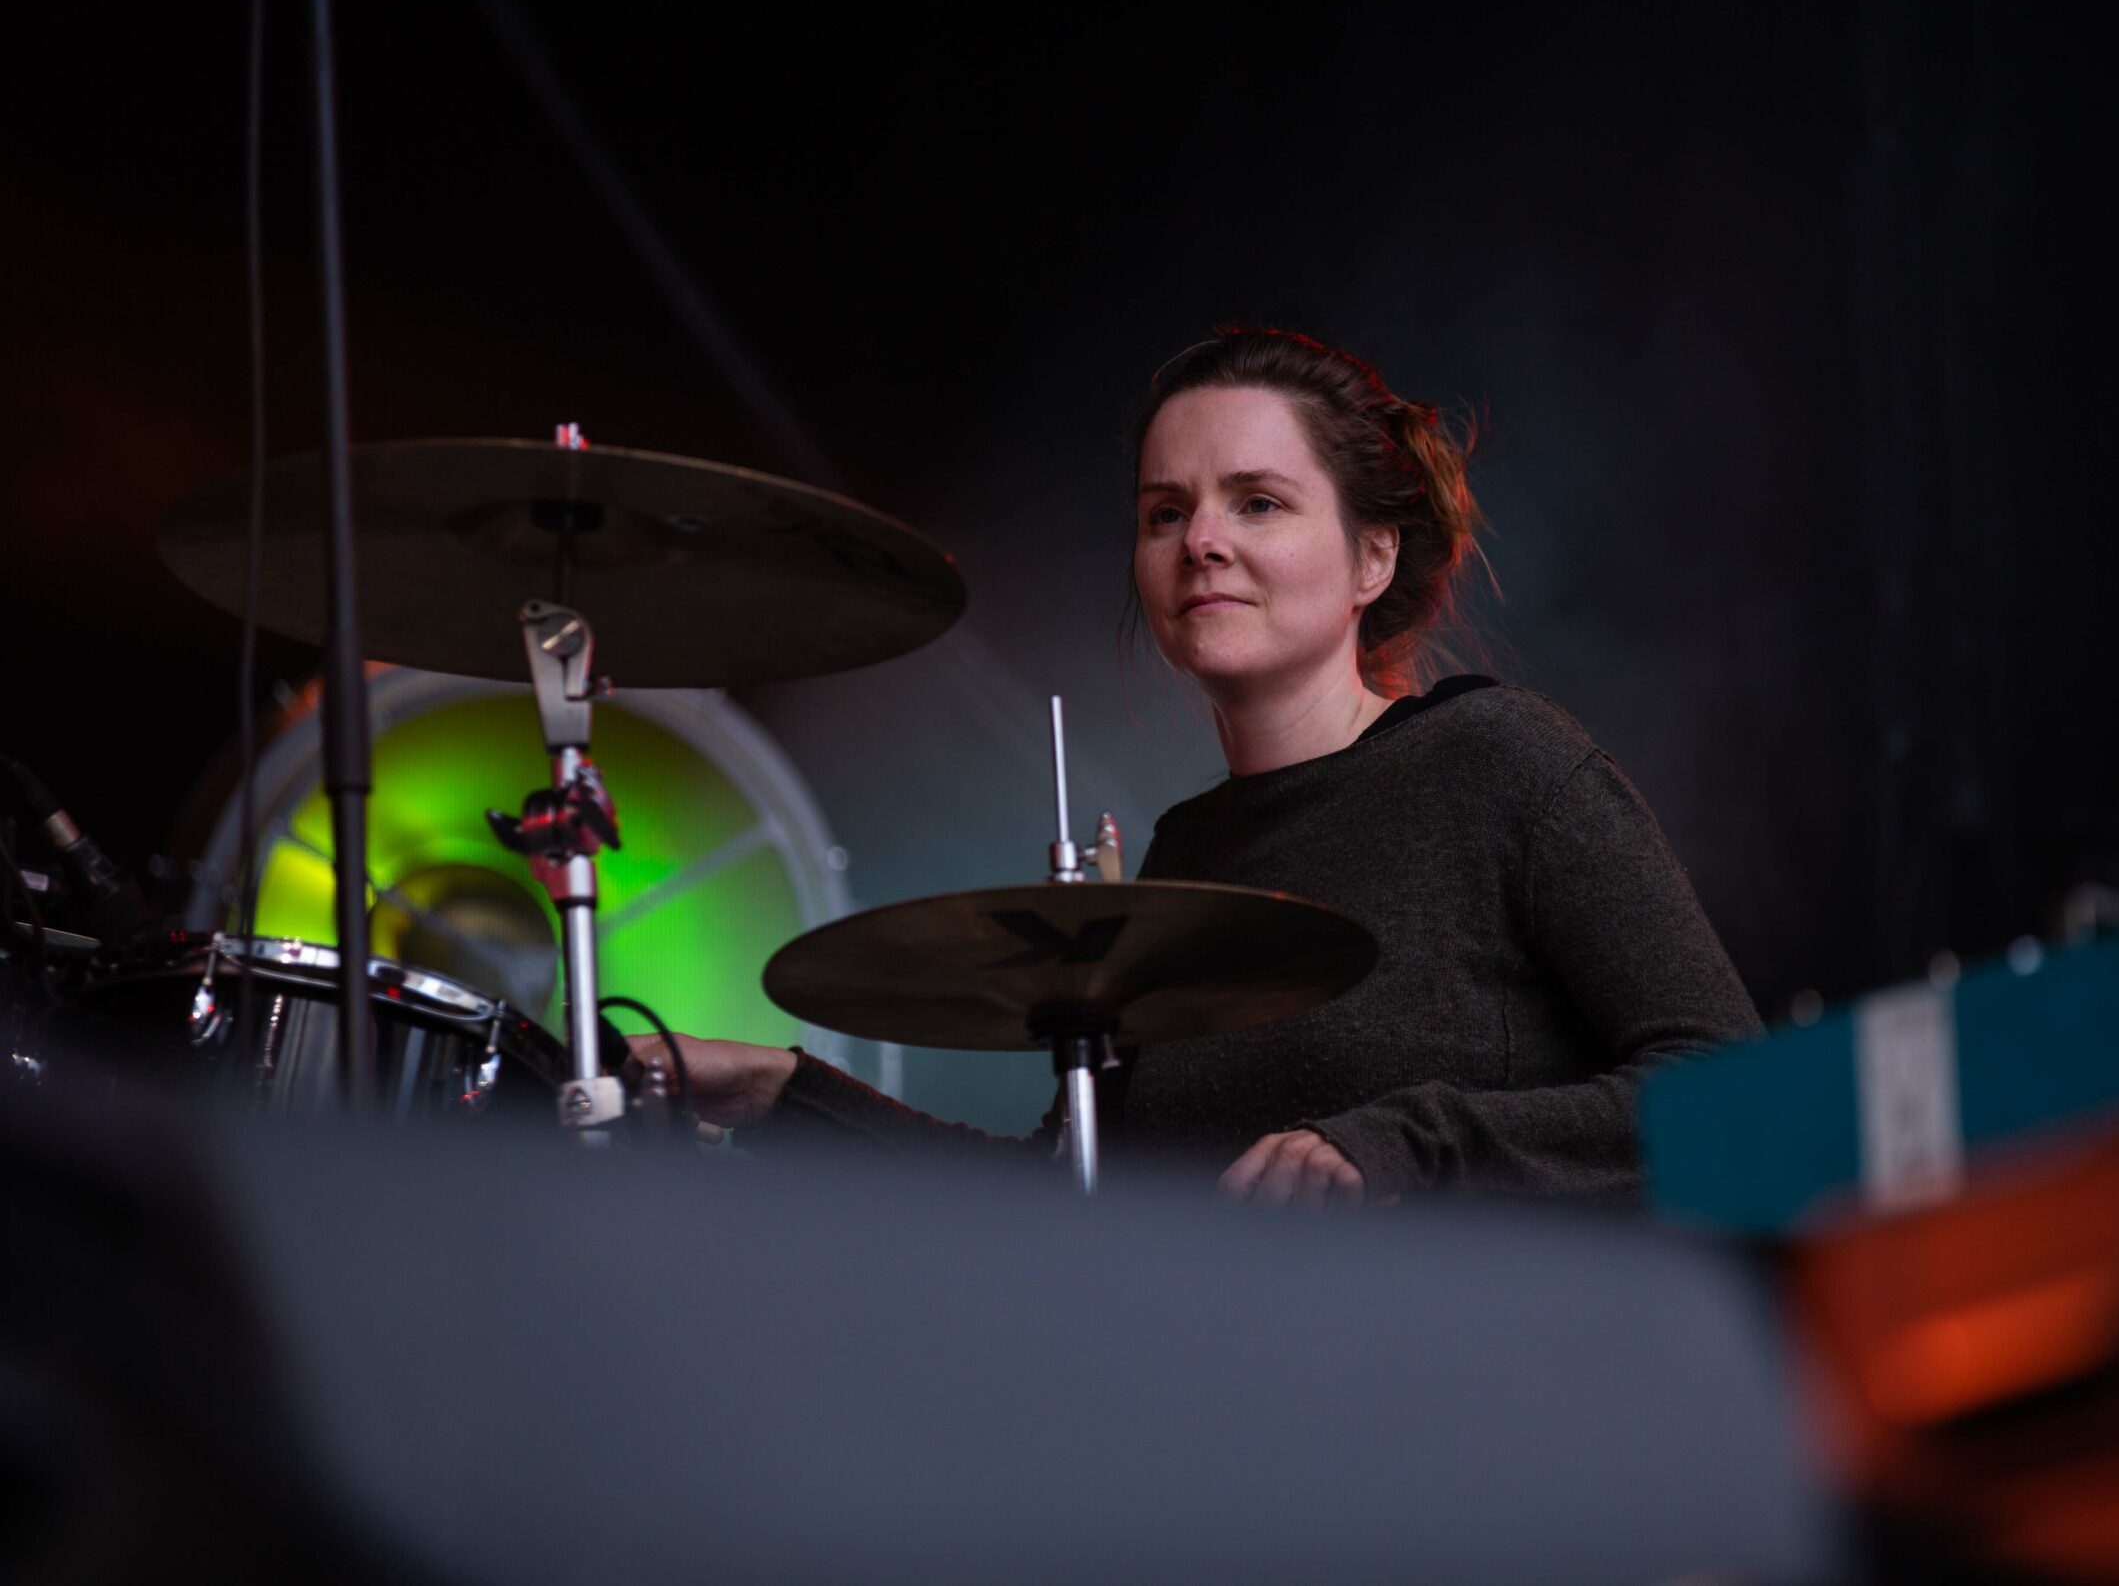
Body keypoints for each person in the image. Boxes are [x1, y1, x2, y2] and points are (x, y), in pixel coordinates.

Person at [637, 327, 1761, 1208]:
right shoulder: (1188, 855)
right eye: (1164, 512)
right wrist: (778, 1089)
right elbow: (1065, 1198)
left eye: (1256, 503)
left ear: (1373, 556)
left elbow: (1732, 1094)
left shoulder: (1499, 761)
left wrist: (1402, 1145)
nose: (1200, 541)